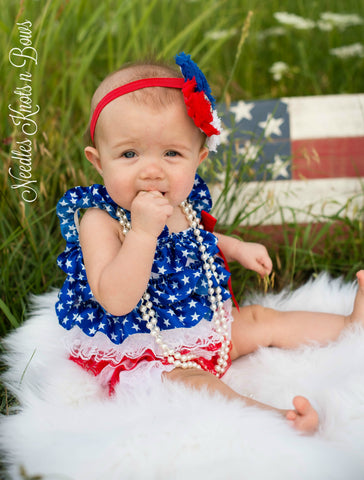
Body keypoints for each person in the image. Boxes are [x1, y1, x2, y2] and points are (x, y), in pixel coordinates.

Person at [55, 52, 364, 434]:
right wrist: (142, 233)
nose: (152, 170)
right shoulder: (99, 220)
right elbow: (115, 300)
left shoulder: (180, 204)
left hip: (199, 330)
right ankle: (277, 420)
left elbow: (196, 241)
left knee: (260, 319)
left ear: (198, 158)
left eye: (171, 153)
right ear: (99, 161)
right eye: (129, 153)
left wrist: (235, 247)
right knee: (195, 384)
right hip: (145, 351)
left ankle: (350, 325)